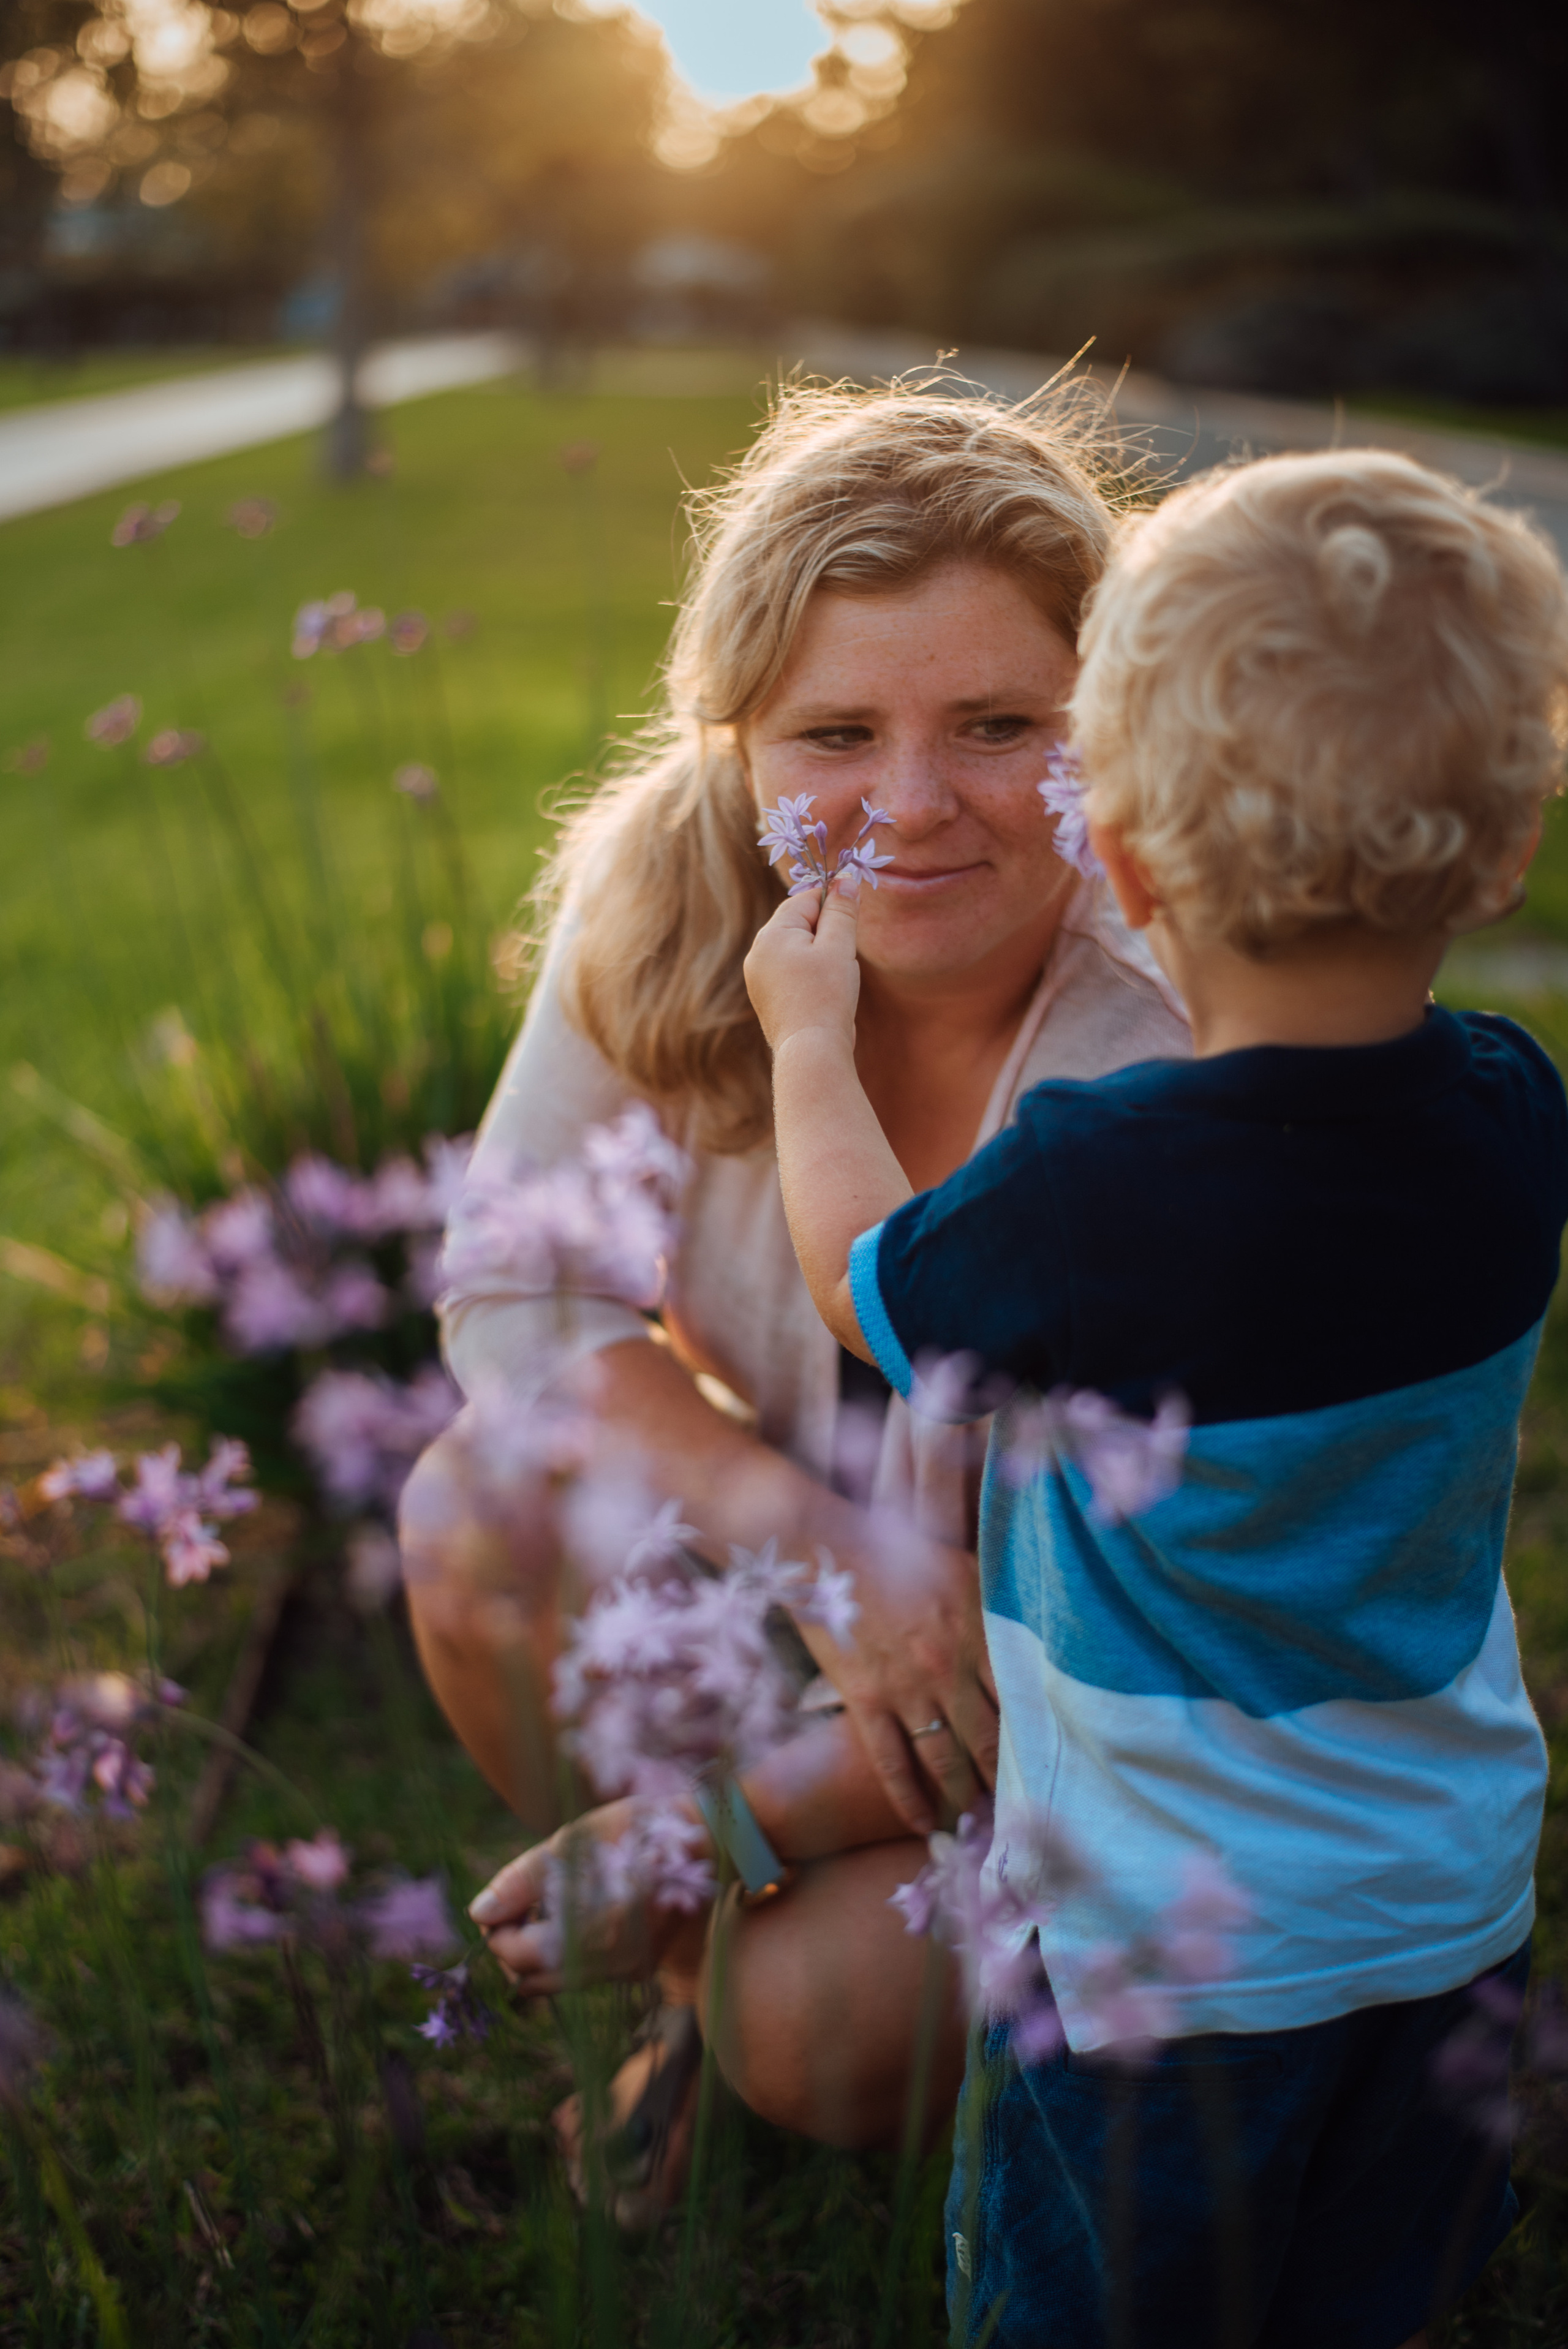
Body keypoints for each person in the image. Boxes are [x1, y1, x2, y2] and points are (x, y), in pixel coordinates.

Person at [742, 447, 1568, 2347]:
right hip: (1453, 1908)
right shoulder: (1519, 1114)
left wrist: (808, 1046)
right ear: (1509, 843)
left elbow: (867, 1288)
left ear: (1118, 850)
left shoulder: (1087, 1192)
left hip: (1161, 1967)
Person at [396, 378, 1190, 2209]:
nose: (909, 807)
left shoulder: (1167, 1008)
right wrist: (814, 1547)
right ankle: (692, 1971)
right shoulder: (662, 893)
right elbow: (519, 1287)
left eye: (1003, 724)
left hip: (1072, 1694)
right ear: (735, 740)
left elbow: (1119, 1612)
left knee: (820, 2027)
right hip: (806, 1579)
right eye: (833, 732)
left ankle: (710, 1931)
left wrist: (727, 1815)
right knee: (473, 1503)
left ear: (1114, 724)